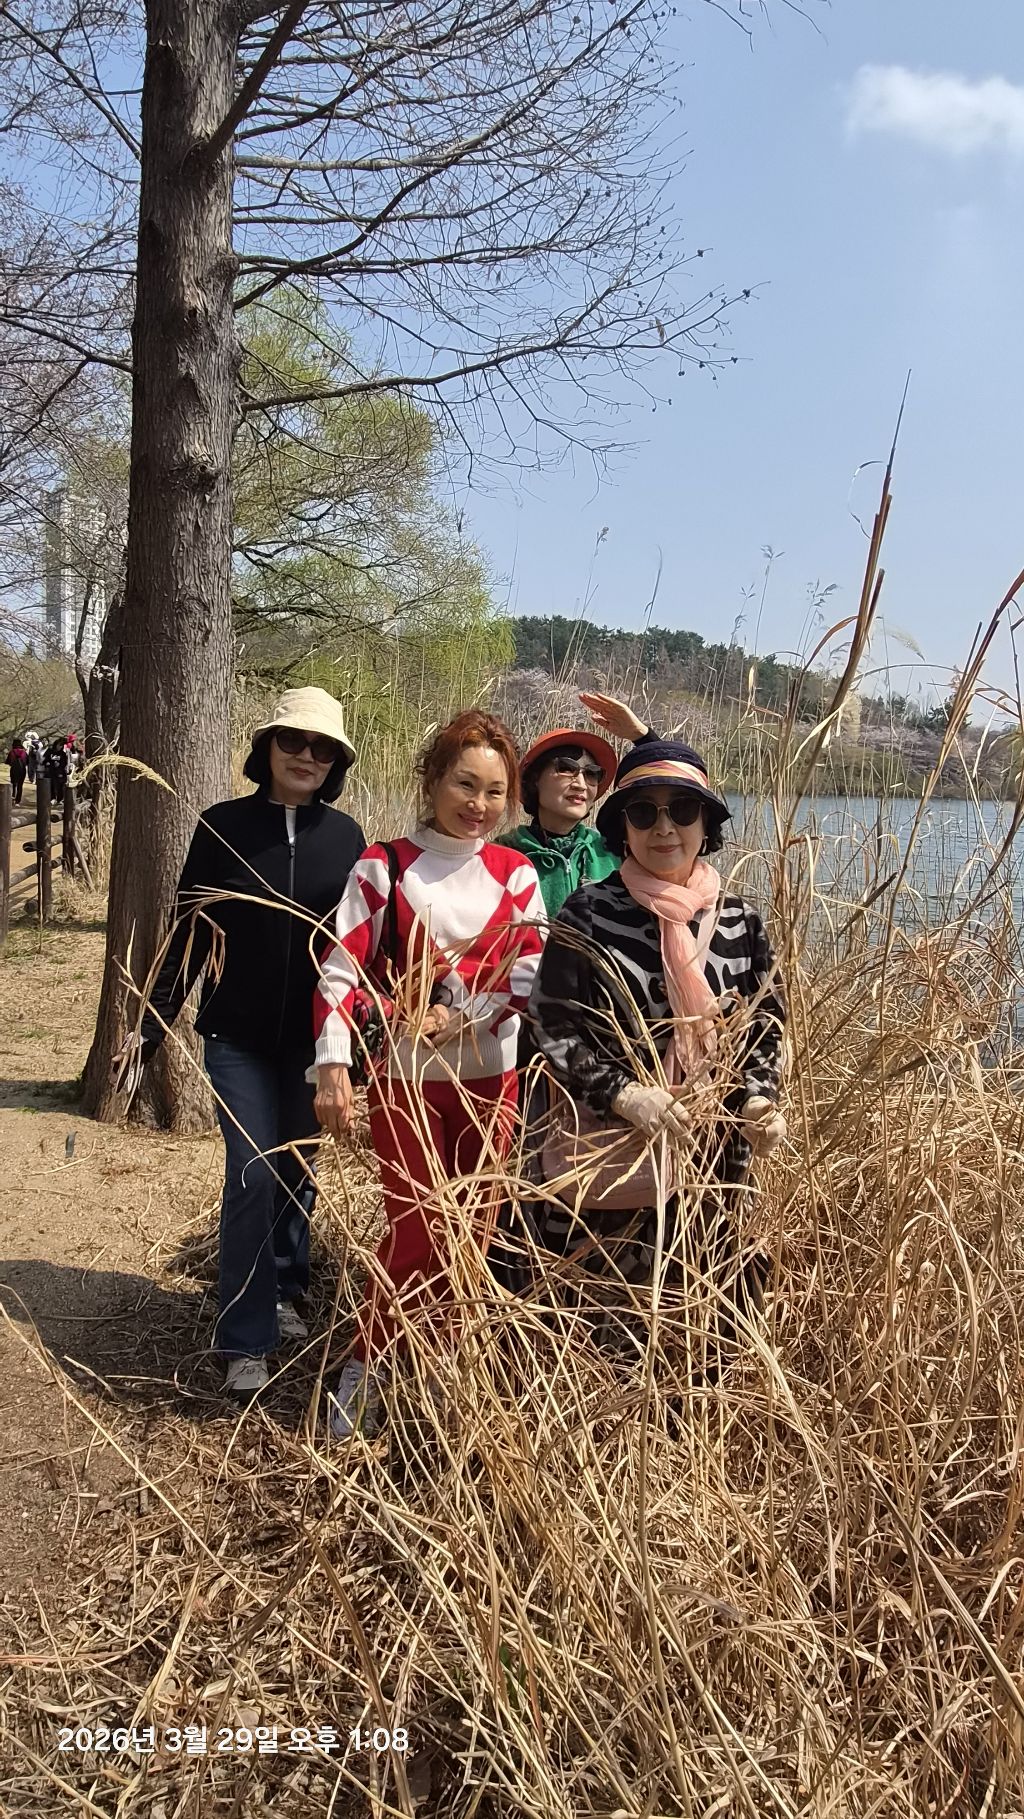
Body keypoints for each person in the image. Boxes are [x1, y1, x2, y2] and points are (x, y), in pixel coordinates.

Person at [313, 709, 547, 1439]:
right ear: (434, 780)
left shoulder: (515, 872)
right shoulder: (384, 865)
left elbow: (530, 971)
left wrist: (463, 1014)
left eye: (495, 791)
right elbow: (340, 968)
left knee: (471, 1234)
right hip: (406, 1081)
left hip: (493, 1083)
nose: (478, 803)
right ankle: (367, 1364)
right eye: (464, 784)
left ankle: (439, 1366)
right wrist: (332, 1065)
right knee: (414, 1231)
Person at [135, 688, 365, 1400]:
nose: (306, 756)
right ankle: (243, 1336)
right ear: (266, 748)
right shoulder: (221, 826)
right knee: (252, 1172)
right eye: (292, 741)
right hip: (235, 1036)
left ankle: (284, 1286)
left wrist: (361, 1039)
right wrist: (150, 1028)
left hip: (314, 1041)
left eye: (322, 748)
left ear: (336, 764)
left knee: (296, 1168)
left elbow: (360, 947)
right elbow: (186, 933)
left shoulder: (348, 838)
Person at [527, 739, 786, 1370]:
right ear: (623, 827)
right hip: (611, 1150)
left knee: (707, 1312)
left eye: (682, 811)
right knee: (598, 1326)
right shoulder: (588, 913)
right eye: (643, 813)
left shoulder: (741, 921)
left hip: (712, 1152)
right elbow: (552, 1025)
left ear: (707, 823)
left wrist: (758, 1100)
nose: (664, 828)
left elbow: (766, 1025)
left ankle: (695, 1409)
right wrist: (623, 1094)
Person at [496, 692, 656, 920]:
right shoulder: (504, 854)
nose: (581, 784)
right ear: (534, 779)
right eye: (566, 768)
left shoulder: (614, 852)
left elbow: (676, 790)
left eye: (592, 774)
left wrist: (642, 736)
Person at [6, 738, 27, 805]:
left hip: (13, 770)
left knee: (13, 784)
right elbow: (27, 762)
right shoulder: (24, 752)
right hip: (22, 770)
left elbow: (8, 762)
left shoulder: (11, 752)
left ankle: (13, 797)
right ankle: (18, 801)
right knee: (20, 785)